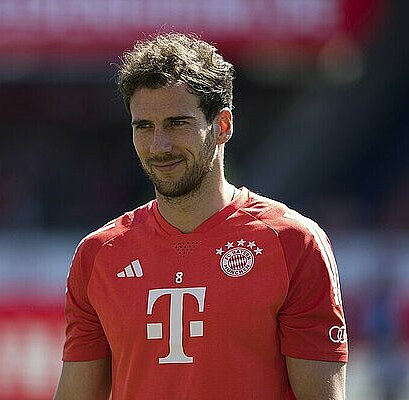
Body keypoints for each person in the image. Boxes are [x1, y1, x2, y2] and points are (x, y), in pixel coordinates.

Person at [53, 33, 348, 400]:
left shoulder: (292, 244)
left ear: (222, 126)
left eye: (177, 123)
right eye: (143, 126)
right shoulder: (97, 255)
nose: (158, 145)